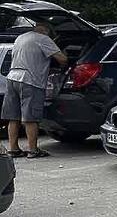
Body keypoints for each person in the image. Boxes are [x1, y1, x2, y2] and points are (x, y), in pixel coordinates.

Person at [2, 23, 68, 158]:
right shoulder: (43, 39)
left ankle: (13, 149)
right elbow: (62, 59)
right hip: (30, 80)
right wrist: (64, 60)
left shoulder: (20, 37)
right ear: (46, 31)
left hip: (12, 78)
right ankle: (33, 150)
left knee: (13, 117)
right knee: (31, 118)